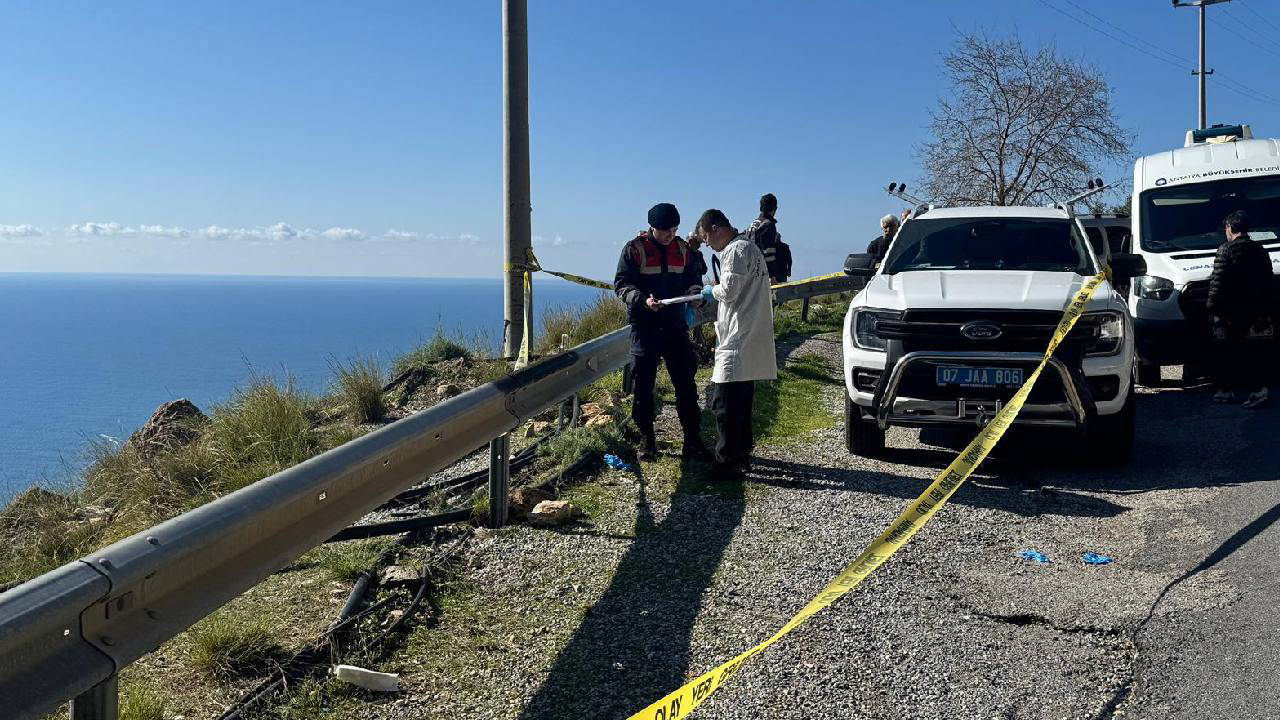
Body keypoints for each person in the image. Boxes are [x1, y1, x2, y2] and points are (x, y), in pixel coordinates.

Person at [614, 203, 713, 461]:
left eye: (674, 230)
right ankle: (647, 441)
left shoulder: (682, 249)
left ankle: (692, 440)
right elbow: (622, 285)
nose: (671, 235)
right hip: (644, 327)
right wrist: (642, 300)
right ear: (652, 228)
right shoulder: (634, 249)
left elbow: (693, 280)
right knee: (643, 386)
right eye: (666, 230)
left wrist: (695, 296)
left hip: (675, 327)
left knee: (686, 384)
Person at [696, 209, 778, 475]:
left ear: (716, 229)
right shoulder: (750, 247)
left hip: (738, 334)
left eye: (706, 238)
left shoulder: (734, 251)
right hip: (750, 330)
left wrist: (711, 290)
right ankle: (742, 450)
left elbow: (729, 291)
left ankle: (725, 460)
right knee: (742, 398)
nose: (708, 244)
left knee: (724, 402)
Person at [1207, 210, 1273, 408]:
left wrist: (1212, 307)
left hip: (1232, 311)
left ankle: (1227, 391)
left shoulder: (1225, 250)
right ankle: (1257, 390)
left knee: (1228, 352)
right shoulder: (1260, 250)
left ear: (1229, 228)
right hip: (1256, 309)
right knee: (1254, 352)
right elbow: (1268, 281)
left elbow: (1218, 282)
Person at [746, 193, 790, 283]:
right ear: (775, 209)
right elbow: (768, 251)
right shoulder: (768, 225)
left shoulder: (752, 225)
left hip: (751, 270)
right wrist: (772, 276)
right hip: (763, 272)